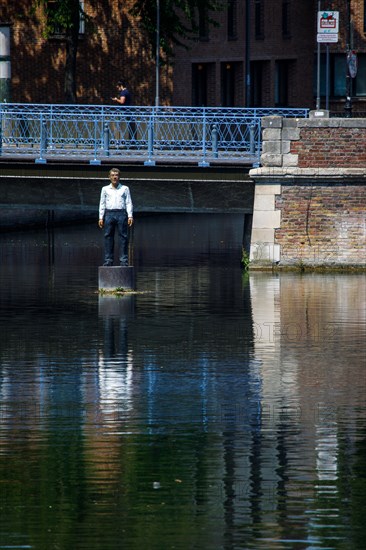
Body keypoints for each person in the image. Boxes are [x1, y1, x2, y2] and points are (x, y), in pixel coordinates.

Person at [98, 168, 134, 266]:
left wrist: (130, 215)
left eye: (117, 175)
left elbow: (128, 202)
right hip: (109, 214)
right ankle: (108, 261)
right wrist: (101, 217)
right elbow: (102, 203)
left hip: (121, 213)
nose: (115, 177)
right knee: (108, 237)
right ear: (109, 177)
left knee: (123, 237)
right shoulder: (105, 189)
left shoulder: (125, 188)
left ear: (119, 177)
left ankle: (124, 261)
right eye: (113, 175)